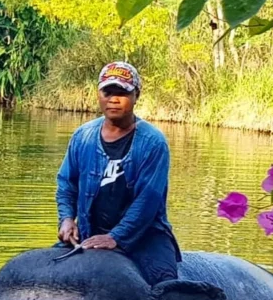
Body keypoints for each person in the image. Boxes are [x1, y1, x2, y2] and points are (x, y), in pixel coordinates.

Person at [55, 61, 180, 286]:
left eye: (122, 92)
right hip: (88, 234)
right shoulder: (82, 136)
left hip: (145, 237)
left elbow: (148, 201)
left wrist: (115, 237)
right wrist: (66, 219)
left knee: (166, 289)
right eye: (108, 92)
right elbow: (67, 183)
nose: (113, 99)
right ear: (98, 94)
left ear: (136, 96)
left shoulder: (153, 142)